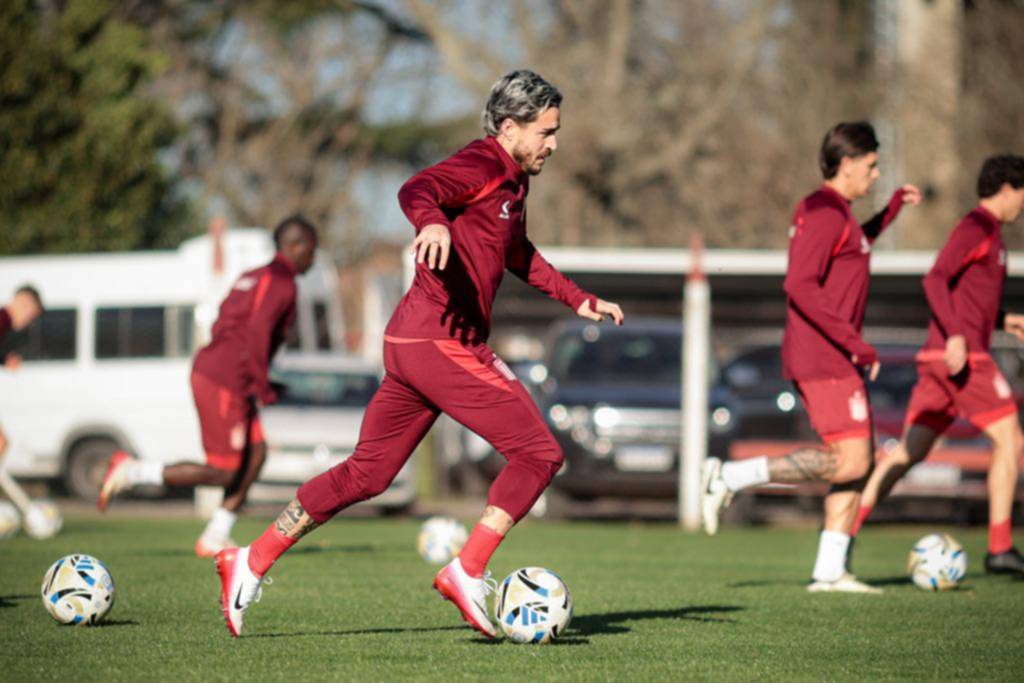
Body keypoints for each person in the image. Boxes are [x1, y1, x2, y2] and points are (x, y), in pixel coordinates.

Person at [214, 69, 624, 639]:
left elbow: (519, 253)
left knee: (368, 473)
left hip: (412, 341)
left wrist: (576, 298)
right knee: (539, 454)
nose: (554, 144)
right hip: (439, 341)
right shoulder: (483, 163)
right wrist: (432, 222)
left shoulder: (513, 183)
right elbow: (417, 189)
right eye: (546, 132)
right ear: (510, 128)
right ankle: (467, 569)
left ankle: (250, 559)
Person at [702, 122, 921, 592]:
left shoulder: (838, 214)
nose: (875, 174)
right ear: (847, 163)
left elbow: (853, 248)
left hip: (834, 357)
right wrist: (856, 343)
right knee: (853, 462)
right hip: (825, 357)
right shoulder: (823, 210)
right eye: (871, 165)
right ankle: (732, 475)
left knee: (855, 461)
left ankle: (830, 570)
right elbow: (799, 284)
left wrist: (891, 211)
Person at [97, 216, 318, 557]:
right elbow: (257, 334)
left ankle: (216, 534)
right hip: (225, 379)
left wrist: (258, 378)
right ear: (296, 246)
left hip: (226, 372)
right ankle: (133, 471)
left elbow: (224, 324)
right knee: (223, 470)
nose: (313, 258)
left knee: (256, 454)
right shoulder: (281, 281)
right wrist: (263, 386)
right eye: (312, 250)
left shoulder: (252, 275)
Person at [851, 155, 1024, 575]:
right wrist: (958, 336)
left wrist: (1004, 320)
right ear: (1006, 189)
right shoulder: (977, 227)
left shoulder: (989, 234)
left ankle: (841, 533)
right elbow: (935, 278)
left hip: (940, 359)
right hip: (963, 361)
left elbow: (969, 297)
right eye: (1022, 194)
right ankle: (1000, 547)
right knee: (1011, 440)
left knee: (907, 453)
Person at [0, 286, 44, 461]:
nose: (29, 322)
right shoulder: (2, 320)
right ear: (23, 302)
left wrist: (4, 359)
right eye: (31, 316)